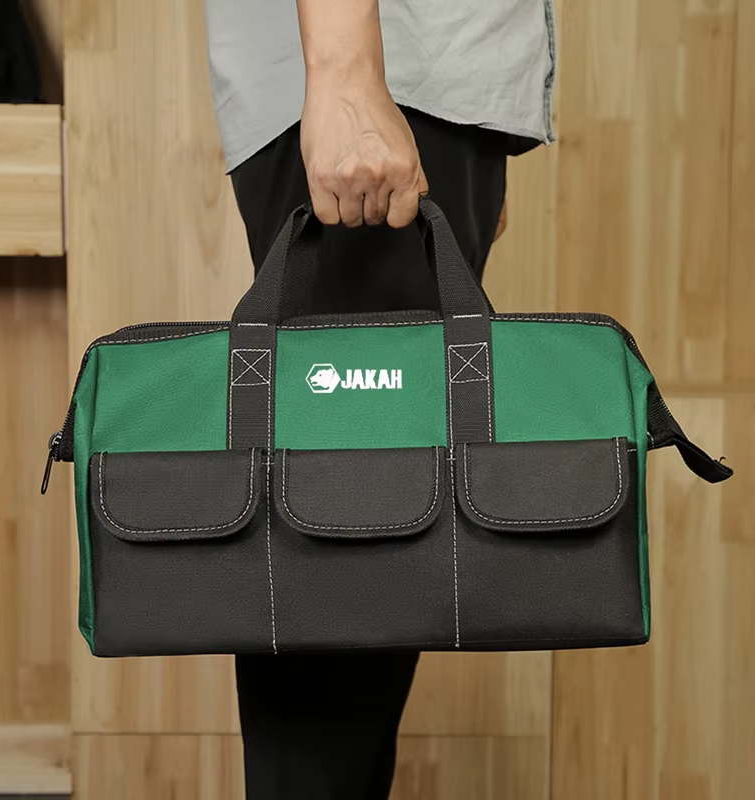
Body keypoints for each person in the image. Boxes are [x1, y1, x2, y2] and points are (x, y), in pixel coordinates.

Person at [205, 0, 556, 796]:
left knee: (356, 650)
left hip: (419, 91)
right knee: (334, 619)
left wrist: (482, 133)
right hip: (378, 74)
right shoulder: (358, 81)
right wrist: (346, 75)